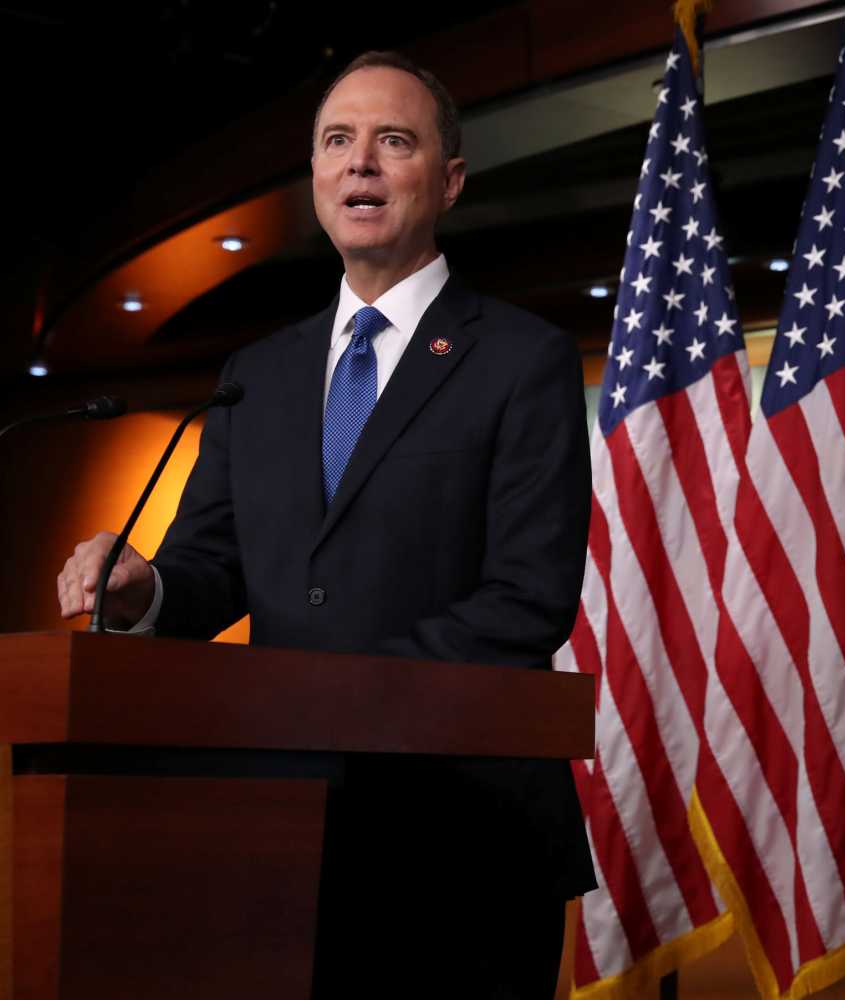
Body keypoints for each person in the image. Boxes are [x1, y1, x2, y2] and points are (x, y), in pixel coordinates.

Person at [55, 51, 594, 998]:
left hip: (463, 848)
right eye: (338, 141)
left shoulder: (523, 359)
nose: (360, 163)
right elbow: (209, 566)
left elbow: (527, 600)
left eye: (394, 141)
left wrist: (328, 692)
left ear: (450, 180)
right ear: (314, 175)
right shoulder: (255, 375)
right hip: (275, 835)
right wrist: (145, 590)